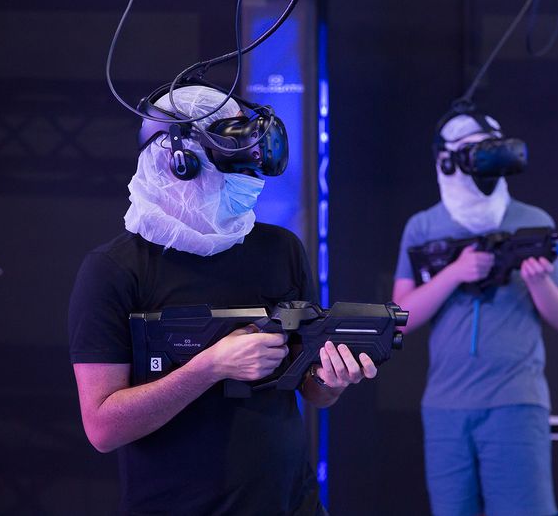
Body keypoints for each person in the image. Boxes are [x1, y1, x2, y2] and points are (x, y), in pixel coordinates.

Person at [68, 85, 375, 515]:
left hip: (291, 503)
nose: (249, 183)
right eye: (234, 168)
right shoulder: (115, 270)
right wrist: (210, 367)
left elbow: (311, 388)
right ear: (180, 163)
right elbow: (103, 427)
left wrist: (331, 381)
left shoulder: (280, 249)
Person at [393, 112, 558, 516]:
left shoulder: (534, 222)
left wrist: (539, 281)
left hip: (516, 400)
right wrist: (456, 274)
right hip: (445, 405)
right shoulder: (423, 226)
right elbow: (401, 313)